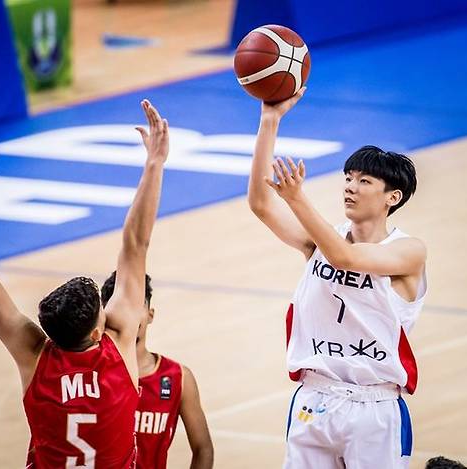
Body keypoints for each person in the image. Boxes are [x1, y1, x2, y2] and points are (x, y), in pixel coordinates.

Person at [0, 99, 170, 468]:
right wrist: (154, 163)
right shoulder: (118, 345)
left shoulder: (34, 355)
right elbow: (136, 242)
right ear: (99, 332)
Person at [248, 88, 427, 468]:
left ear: (392, 197)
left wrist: (297, 198)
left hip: (374, 408)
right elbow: (261, 204)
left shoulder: (409, 252)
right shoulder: (322, 240)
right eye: (349, 176)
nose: (350, 185)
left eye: (364, 181)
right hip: (315, 397)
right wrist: (270, 120)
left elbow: (345, 258)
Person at [100, 272, 214, 469]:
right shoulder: (92, 375)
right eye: (121, 308)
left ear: (150, 314)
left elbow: (203, 448)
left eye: (136, 306)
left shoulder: (179, 377)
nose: (129, 315)